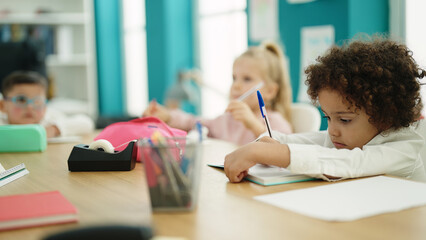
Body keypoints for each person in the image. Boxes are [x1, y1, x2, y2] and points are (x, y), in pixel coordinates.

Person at [224, 36, 426, 183]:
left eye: (344, 120)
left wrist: (266, 153)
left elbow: (347, 164)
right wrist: (265, 143)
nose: (332, 130)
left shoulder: (406, 148)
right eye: (327, 117)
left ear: (386, 116)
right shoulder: (348, 137)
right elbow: (310, 140)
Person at [143, 41, 293, 145]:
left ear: (270, 91)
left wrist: (252, 124)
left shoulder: (275, 121)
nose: (236, 85)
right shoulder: (227, 120)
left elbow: (282, 149)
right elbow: (193, 122)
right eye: (234, 78)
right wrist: (168, 115)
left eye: (247, 79)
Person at [0, 71, 94, 138]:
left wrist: (54, 129)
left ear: (45, 107)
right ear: (3, 106)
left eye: (37, 101)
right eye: (21, 100)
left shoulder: (49, 119)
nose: (30, 107)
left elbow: (87, 123)